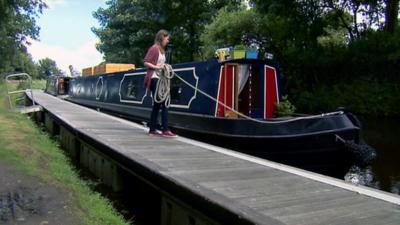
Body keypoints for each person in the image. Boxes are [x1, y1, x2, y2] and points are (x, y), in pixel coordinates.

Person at [144, 29, 177, 137]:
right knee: (164, 104)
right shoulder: (154, 49)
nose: (168, 41)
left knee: (157, 105)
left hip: (160, 78)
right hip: (154, 78)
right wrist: (158, 67)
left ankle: (152, 129)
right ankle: (165, 130)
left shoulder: (162, 50)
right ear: (162, 37)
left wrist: (165, 67)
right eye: (167, 38)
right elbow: (146, 62)